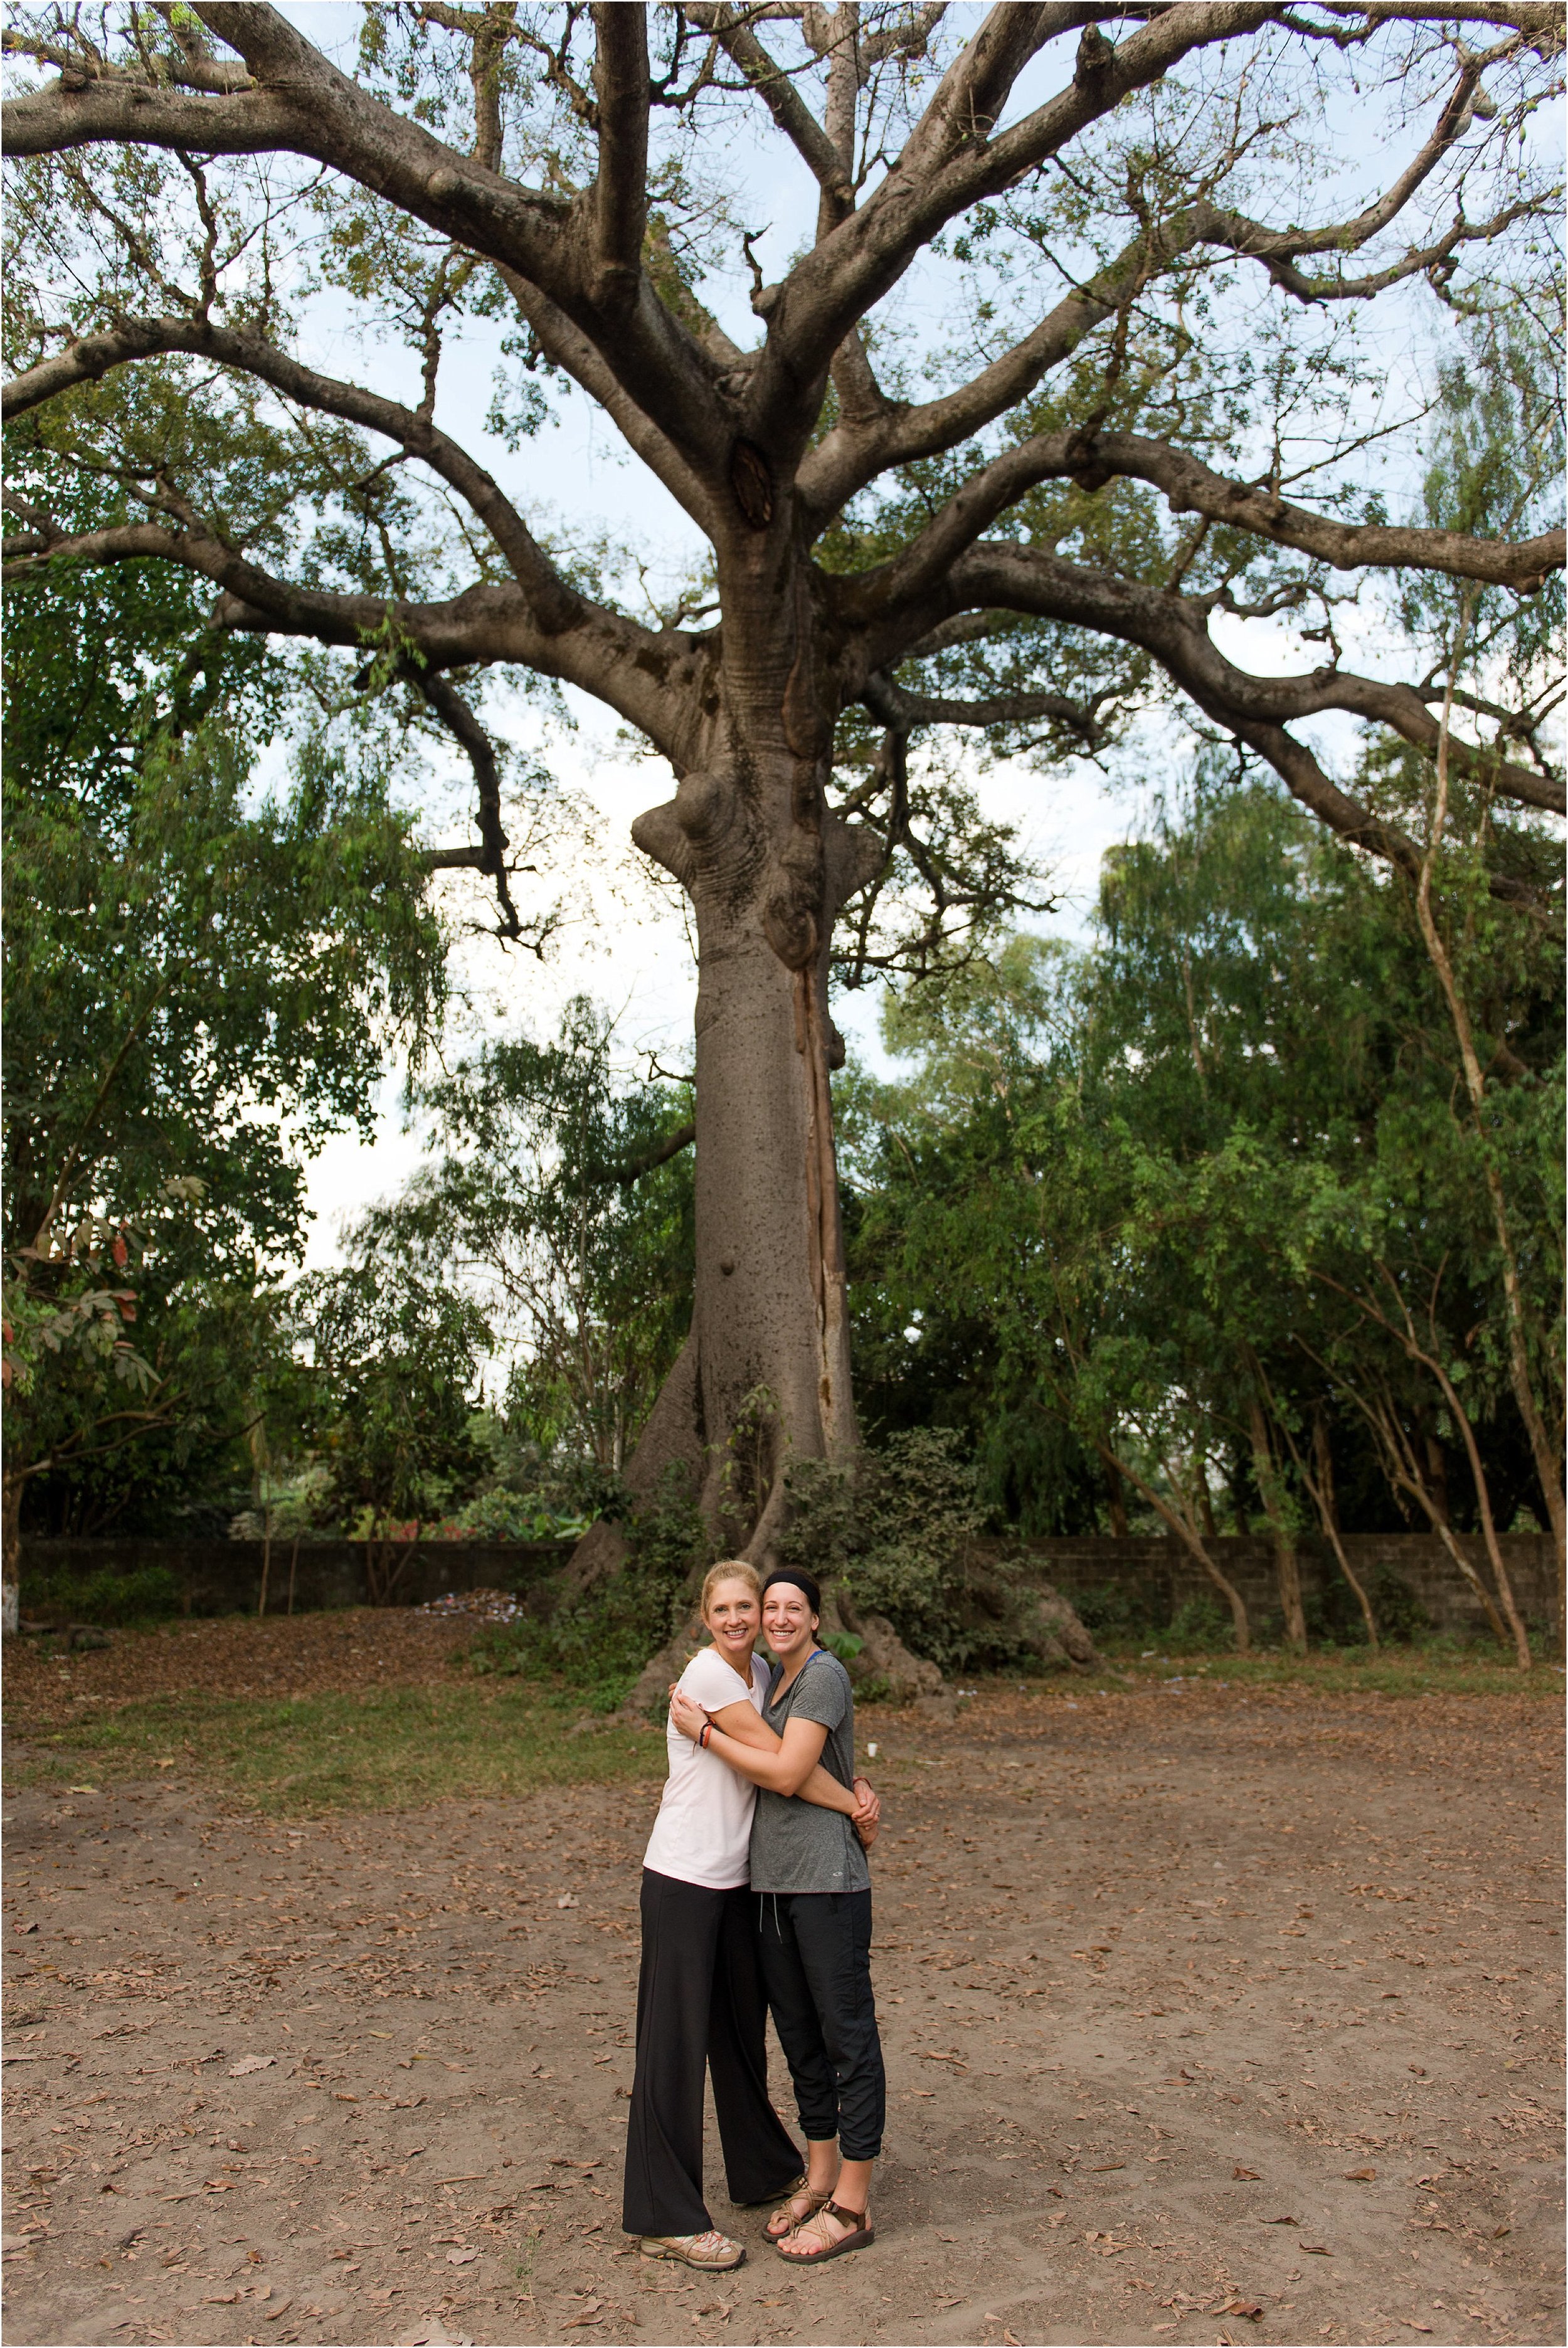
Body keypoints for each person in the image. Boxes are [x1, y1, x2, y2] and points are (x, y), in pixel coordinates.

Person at [623, 1560, 879, 2272]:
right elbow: (782, 1761)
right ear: (707, 1617)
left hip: (739, 1882)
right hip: (682, 1875)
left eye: (750, 1605)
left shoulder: (764, 1677)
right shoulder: (705, 1676)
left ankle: (765, 2168)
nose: (741, 1618)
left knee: (738, 2033)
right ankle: (663, 2214)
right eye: (727, 1608)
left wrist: (854, 1779)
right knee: (672, 2042)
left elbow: (806, 1752)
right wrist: (851, 1803)